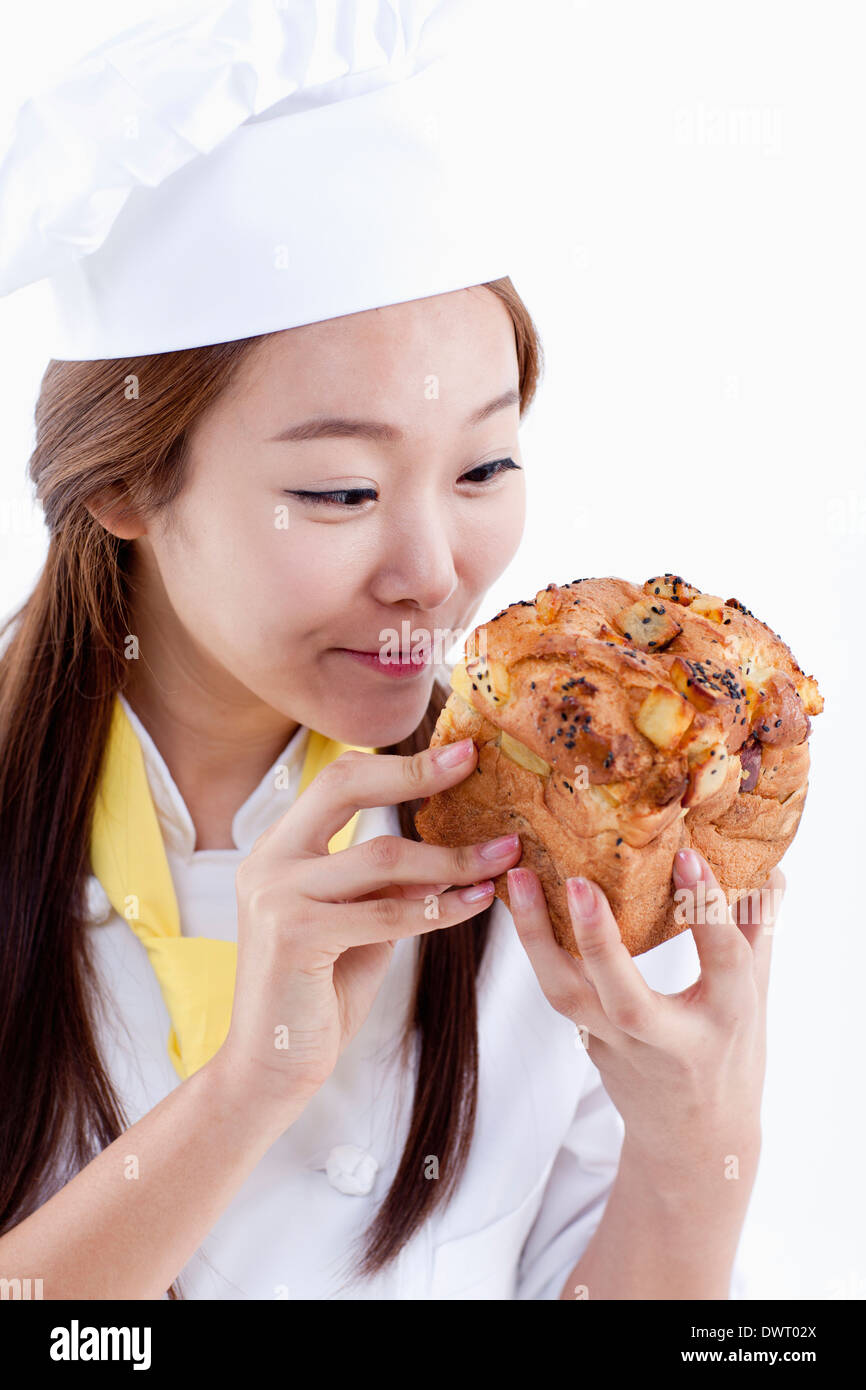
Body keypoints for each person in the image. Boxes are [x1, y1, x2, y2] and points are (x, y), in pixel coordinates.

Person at [0, 0, 781, 1300]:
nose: (435, 570)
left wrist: (700, 1137)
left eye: (483, 464)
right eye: (340, 493)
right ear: (121, 488)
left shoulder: (565, 844)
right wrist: (251, 1091)